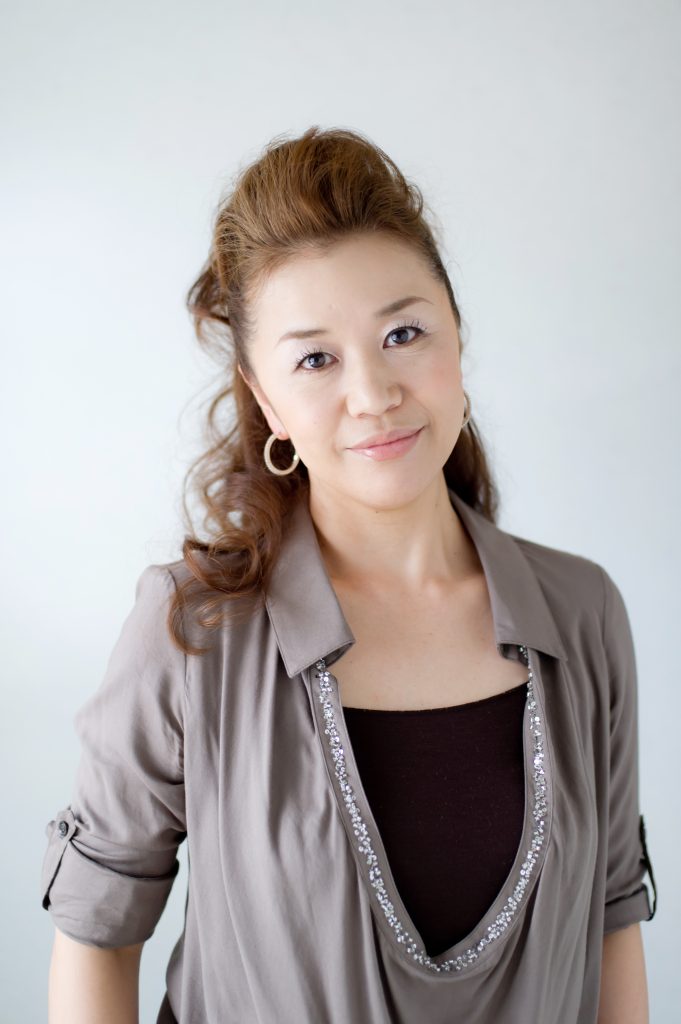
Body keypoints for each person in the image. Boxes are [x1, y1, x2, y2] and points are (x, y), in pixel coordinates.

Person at [41, 126, 656, 1024]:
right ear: (266, 399)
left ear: (456, 337)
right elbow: (98, 936)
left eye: (403, 333)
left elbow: (611, 919)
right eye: (315, 359)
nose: (373, 393)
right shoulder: (191, 632)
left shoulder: (581, 611)